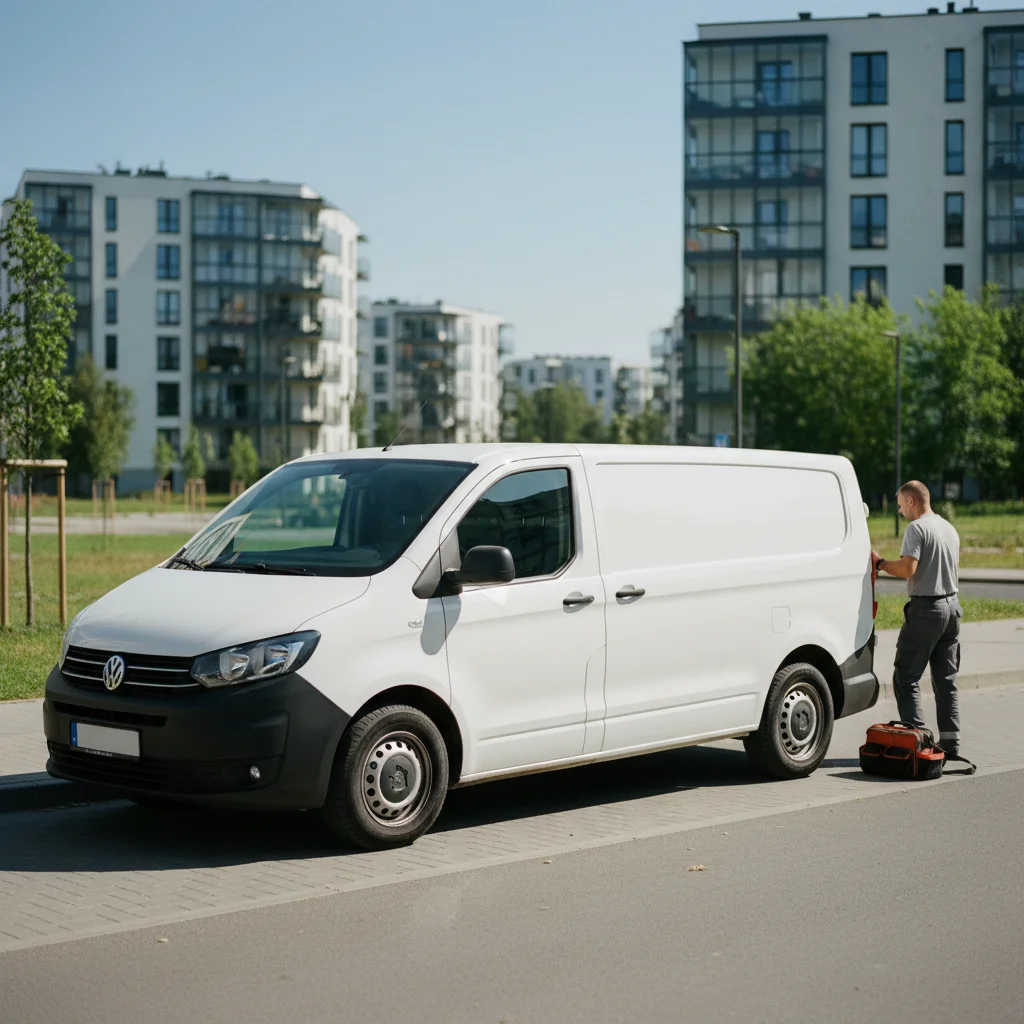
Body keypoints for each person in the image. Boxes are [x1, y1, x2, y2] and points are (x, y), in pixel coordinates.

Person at [872, 480, 963, 757]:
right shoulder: (948, 527)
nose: (900, 511)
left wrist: (879, 563)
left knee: (906, 678)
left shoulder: (917, 528)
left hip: (926, 610)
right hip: (952, 608)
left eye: (900, 505)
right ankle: (951, 744)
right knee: (946, 682)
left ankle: (918, 743)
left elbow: (908, 568)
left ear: (911, 501)